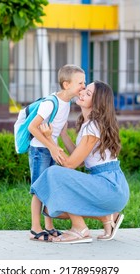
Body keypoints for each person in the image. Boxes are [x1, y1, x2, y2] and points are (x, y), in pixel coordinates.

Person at [30, 80, 130, 244]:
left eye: (88, 93)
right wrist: (63, 135)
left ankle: (80, 229)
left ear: (97, 102)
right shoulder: (88, 124)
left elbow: (70, 164)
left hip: (110, 186)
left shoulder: (93, 127)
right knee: (51, 208)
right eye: (84, 89)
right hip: (108, 185)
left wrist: (49, 139)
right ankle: (108, 217)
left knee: (54, 173)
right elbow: (82, 162)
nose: (82, 93)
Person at [28, 64, 86, 242]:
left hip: (50, 149)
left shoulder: (67, 103)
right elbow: (33, 127)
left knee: (51, 186)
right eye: (80, 83)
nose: (83, 86)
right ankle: (35, 227)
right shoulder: (50, 103)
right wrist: (52, 147)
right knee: (39, 189)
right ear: (66, 84)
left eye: (84, 83)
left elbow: (57, 131)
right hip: (40, 150)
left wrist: (56, 144)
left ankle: (49, 226)